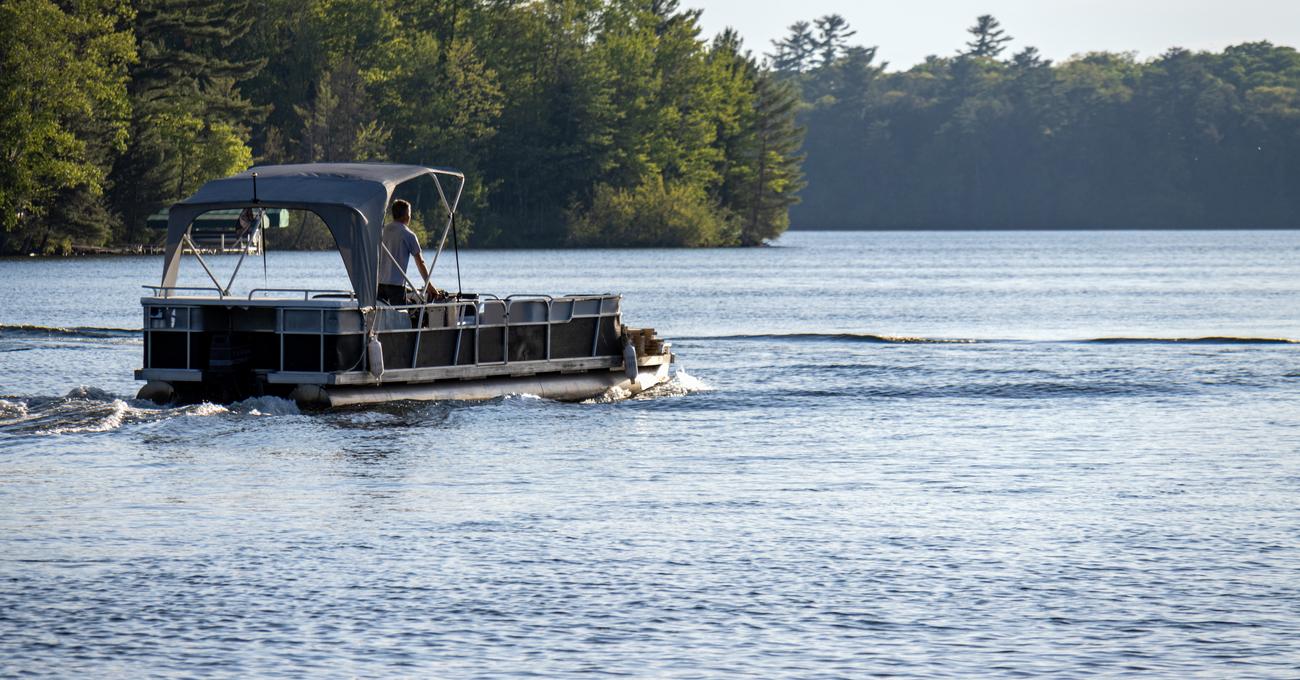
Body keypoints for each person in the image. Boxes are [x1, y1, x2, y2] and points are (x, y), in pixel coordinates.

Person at [376, 200, 441, 305]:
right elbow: (420, 262)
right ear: (406, 215)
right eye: (409, 213)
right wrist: (429, 285)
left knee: (381, 315)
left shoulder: (382, 231)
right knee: (403, 314)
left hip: (379, 285)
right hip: (396, 286)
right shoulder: (408, 234)